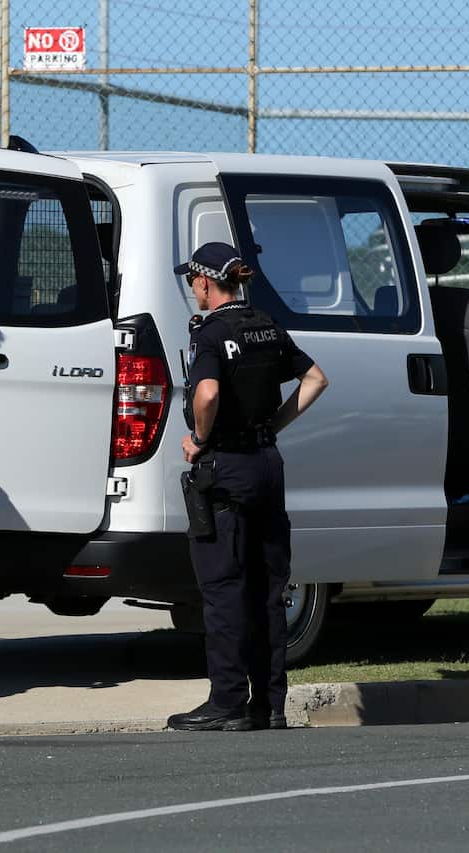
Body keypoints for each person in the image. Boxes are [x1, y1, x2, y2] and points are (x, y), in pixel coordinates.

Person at [167, 242, 329, 732]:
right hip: (266, 464)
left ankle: (227, 703)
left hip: (227, 469)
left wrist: (198, 438)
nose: (193, 290)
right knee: (267, 588)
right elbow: (316, 379)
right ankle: (269, 704)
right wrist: (273, 428)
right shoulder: (266, 325)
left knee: (222, 589)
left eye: (194, 282)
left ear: (204, 283)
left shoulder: (212, 332)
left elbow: (209, 392)